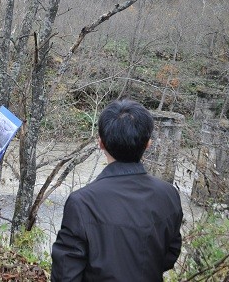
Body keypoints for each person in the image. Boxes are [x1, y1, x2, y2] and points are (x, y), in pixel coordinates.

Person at [51, 99, 183, 282]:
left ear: (101, 143)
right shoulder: (169, 194)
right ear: (147, 144)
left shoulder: (82, 203)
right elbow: (171, 254)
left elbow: (66, 274)